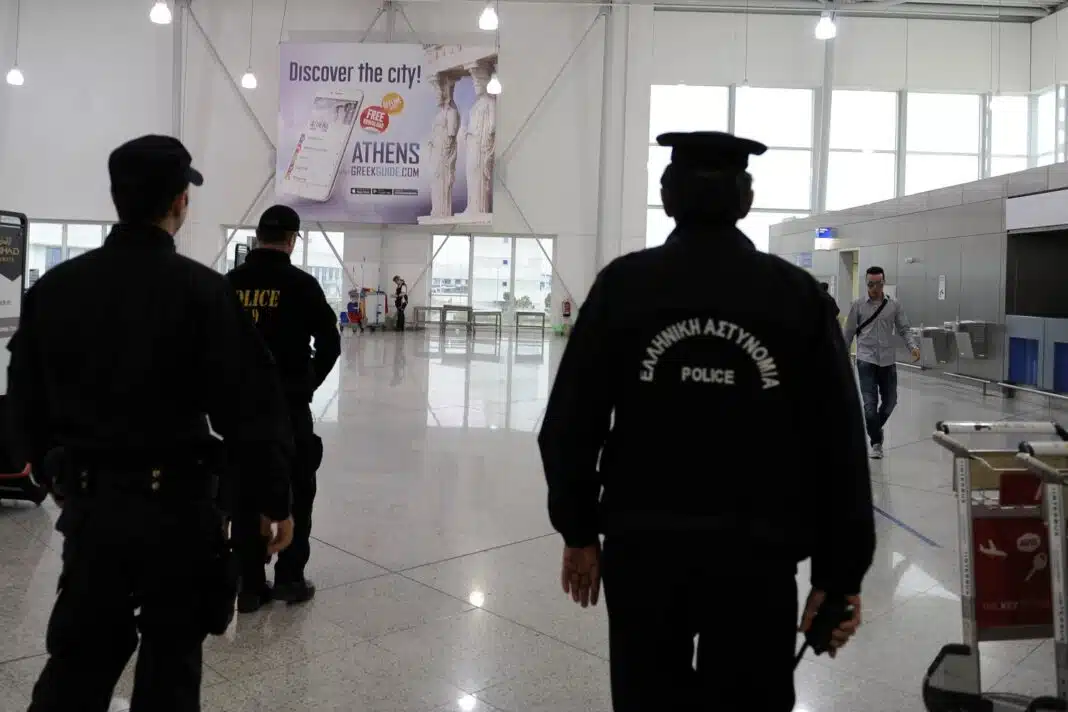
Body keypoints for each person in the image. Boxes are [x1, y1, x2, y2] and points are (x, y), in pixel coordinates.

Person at [537, 131, 876, 712]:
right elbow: (839, 441)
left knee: (648, 700)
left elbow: (570, 422)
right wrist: (839, 574)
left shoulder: (625, 286)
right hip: (757, 558)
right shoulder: (795, 296)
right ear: (747, 201)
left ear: (667, 198)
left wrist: (578, 530)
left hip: (644, 549)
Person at [6, 135, 295, 712]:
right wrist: (273, 502)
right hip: (180, 515)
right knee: (171, 666)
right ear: (180, 201)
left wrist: (54, 471)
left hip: (95, 510)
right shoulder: (203, 293)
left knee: (78, 666)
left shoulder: (57, 290)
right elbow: (251, 409)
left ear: (117, 197)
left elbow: (23, 401)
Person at [226, 205, 341, 611]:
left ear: (257, 236)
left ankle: (249, 584)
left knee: (243, 493)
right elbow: (330, 343)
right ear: (292, 240)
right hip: (288, 409)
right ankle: (289, 578)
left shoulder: (229, 284)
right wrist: (307, 382)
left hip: (239, 412)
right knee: (297, 490)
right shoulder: (302, 285)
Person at [843, 266, 921, 459]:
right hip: (865, 360)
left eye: (878, 284)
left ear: (883, 283)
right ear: (866, 283)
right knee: (870, 407)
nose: (875, 288)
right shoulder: (858, 305)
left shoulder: (893, 305)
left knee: (890, 402)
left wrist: (913, 347)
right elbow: (848, 333)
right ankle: (876, 443)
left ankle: (875, 428)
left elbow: (904, 328)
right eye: (871, 284)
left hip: (887, 361)